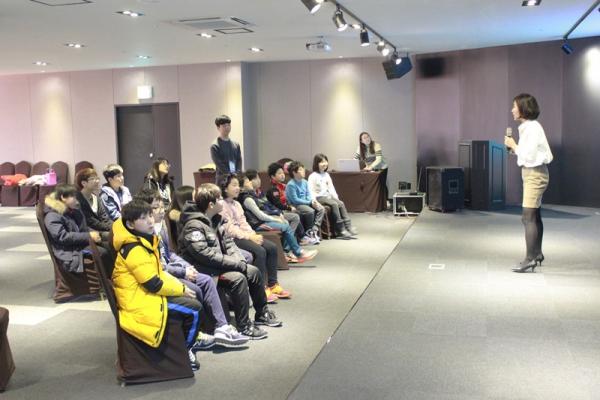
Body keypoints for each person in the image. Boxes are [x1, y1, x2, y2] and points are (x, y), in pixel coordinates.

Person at [134, 188, 249, 347]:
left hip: (172, 269)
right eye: (155, 208)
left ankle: (221, 327)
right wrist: (183, 271)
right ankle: (200, 332)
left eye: (161, 206)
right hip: (161, 276)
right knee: (198, 287)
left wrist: (187, 267)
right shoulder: (143, 235)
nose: (161, 211)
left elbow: (170, 254)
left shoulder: (160, 227)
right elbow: (159, 267)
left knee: (206, 280)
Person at [178, 183, 282, 339]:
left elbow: (229, 244)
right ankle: (244, 326)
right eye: (219, 198)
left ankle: (262, 313)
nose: (222, 200)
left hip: (218, 265)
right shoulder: (193, 225)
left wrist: (240, 261)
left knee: (253, 271)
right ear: (211, 205)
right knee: (238, 278)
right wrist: (235, 264)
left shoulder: (216, 219)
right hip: (204, 269)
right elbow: (205, 255)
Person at [111, 200, 206, 370]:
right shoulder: (134, 248)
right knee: (195, 309)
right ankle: (184, 352)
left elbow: (158, 273)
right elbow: (153, 284)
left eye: (149, 215)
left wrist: (180, 286)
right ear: (130, 224)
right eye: (143, 218)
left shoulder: (144, 241)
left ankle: (187, 343)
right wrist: (181, 289)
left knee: (193, 295)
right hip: (139, 302)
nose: (150, 220)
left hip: (144, 295)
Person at [220, 174, 291, 302]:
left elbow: (243, 223)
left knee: (272, 247)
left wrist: (253, 234)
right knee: (260, 251)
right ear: (225, 188)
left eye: (238, 185)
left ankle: (273, 284)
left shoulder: (237, 204)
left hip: (245, 235)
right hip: (232, 239)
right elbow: (230, 230)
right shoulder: (221, 205)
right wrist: (250, 237)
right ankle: (261, 289)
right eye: (234, 185)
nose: (238, 188)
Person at [504, 93, 553, 273]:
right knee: (535, 215)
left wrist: (514, 145)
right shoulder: (528, 127)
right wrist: (515, 148)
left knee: (528, 217)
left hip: (535, 175)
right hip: (533, 173)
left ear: (523, 108)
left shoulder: (532, 128)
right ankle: (537, 254)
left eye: (514, 106)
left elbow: (529, 156)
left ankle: (529, 259)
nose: (512, 110)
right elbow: (527, 154)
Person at [239, 170, 318, 263]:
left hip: (262, 220)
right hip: (258, 224)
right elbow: (260, 215)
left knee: (286, 223)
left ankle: (290, 252)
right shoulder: (248, 199)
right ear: (242, 187)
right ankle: (298, 252)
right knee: (285, 226)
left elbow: (267, 207)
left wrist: (277, 214)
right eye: (247, 182)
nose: (250, 183)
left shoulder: (253, 195)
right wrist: (275, 218)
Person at [43, 183, 102, 274]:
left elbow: (83, 228)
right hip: (69, 250)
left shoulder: (72, 210)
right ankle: (104, 279)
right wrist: (89, 236)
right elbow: (63, 237)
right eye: (74, 197)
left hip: (78, 244)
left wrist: (95, 233)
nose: (77, 201)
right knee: (103, 252)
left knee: (109, 245)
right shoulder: (52, 216)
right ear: (63, 197)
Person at [308, 154, 357, 239]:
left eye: (325, 161)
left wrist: (336, 198)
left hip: (328, 196)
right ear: (316, 164)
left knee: (341, 203)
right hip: (319, 197)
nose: (324, 164)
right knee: (334, 204)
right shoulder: (313, 176)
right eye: (321, 162)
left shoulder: (326, 175)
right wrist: (313, 200)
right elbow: (310, 190)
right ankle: (340, 229)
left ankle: (348, 226)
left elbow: (331, 188)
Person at [265, 162, 315, 245]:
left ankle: (303, 236)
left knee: (301, 212)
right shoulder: (273, 189)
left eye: (283, 173)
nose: (282, 175)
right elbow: (278, 204)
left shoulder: (283, 186)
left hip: (285, 209)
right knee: (296, 215)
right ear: (273, 176)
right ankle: (299, 238)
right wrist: (289, 208)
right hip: (278, 212)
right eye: (279, 173)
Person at [285, 161, 324, 243]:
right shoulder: (291, 184)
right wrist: (309, 202)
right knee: (310, 211)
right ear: (294, 172)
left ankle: (314, 229)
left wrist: (312, 201)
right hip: (296, 205)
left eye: (303, 169)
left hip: (306, 202)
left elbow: (308, 194)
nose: (303, 171)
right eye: (300, 169)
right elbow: (295, 200)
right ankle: (308, 232)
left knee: (321, 208)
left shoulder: (305, 182)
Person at [75, 168, 113, 241]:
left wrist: (114, 226)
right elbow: (91, 222)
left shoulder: (96, 197)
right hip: (89, 232)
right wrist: (110, 228)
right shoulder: (78, 199)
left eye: (97, 178)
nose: (97, 181)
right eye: (92, 179)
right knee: (115, 236)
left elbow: (104, 217)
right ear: (84, 183)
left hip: (101, 228)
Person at [353, 131, 389, 206]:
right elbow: (355, 159)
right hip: (370, 169)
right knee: (372, 185)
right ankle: (375, 202)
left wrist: (370, 167)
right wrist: (351, 166)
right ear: (361, 141)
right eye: (364, 138)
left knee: (382, 185)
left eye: (368, 136)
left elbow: (379, 159)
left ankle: (386, 201)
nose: (367, 138)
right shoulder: (360, 148)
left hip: (381, 167)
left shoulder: (376, 145)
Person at [210, 115, 242, 185]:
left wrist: (237, 173)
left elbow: (239, 160)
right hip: (222, 180)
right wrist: (230, 175)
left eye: (228, 125)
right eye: (224, 126)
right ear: (218, 127)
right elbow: (219, 164)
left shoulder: (236, 144)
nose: (227, 127)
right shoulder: (215, 146)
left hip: (235, 179)